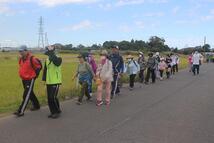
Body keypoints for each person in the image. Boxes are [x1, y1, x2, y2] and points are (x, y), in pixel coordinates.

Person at [14, 45, 41, 117]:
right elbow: (22, 67)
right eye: (19, 51)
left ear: (26, 51)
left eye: (22, 51)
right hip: (24, 79)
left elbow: (39, 67)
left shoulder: (32, 58)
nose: (20, 53)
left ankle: (20, 111)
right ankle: (37, 105)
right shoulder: (21, 59)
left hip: (30, 79)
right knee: (30, 93)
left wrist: (35, 76)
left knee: (26, 95)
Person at [42, 46, 62, 119]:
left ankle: (56, 112)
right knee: (50, 98)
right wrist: (44, 80)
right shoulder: (47, 59)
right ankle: (54, 111)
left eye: (48, 52)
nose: (47, 54)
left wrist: (51, 52)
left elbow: (57, 63)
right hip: (49, 81)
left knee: (52, 97)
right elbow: (45, 70)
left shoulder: (58, 58)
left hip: (56, 81)